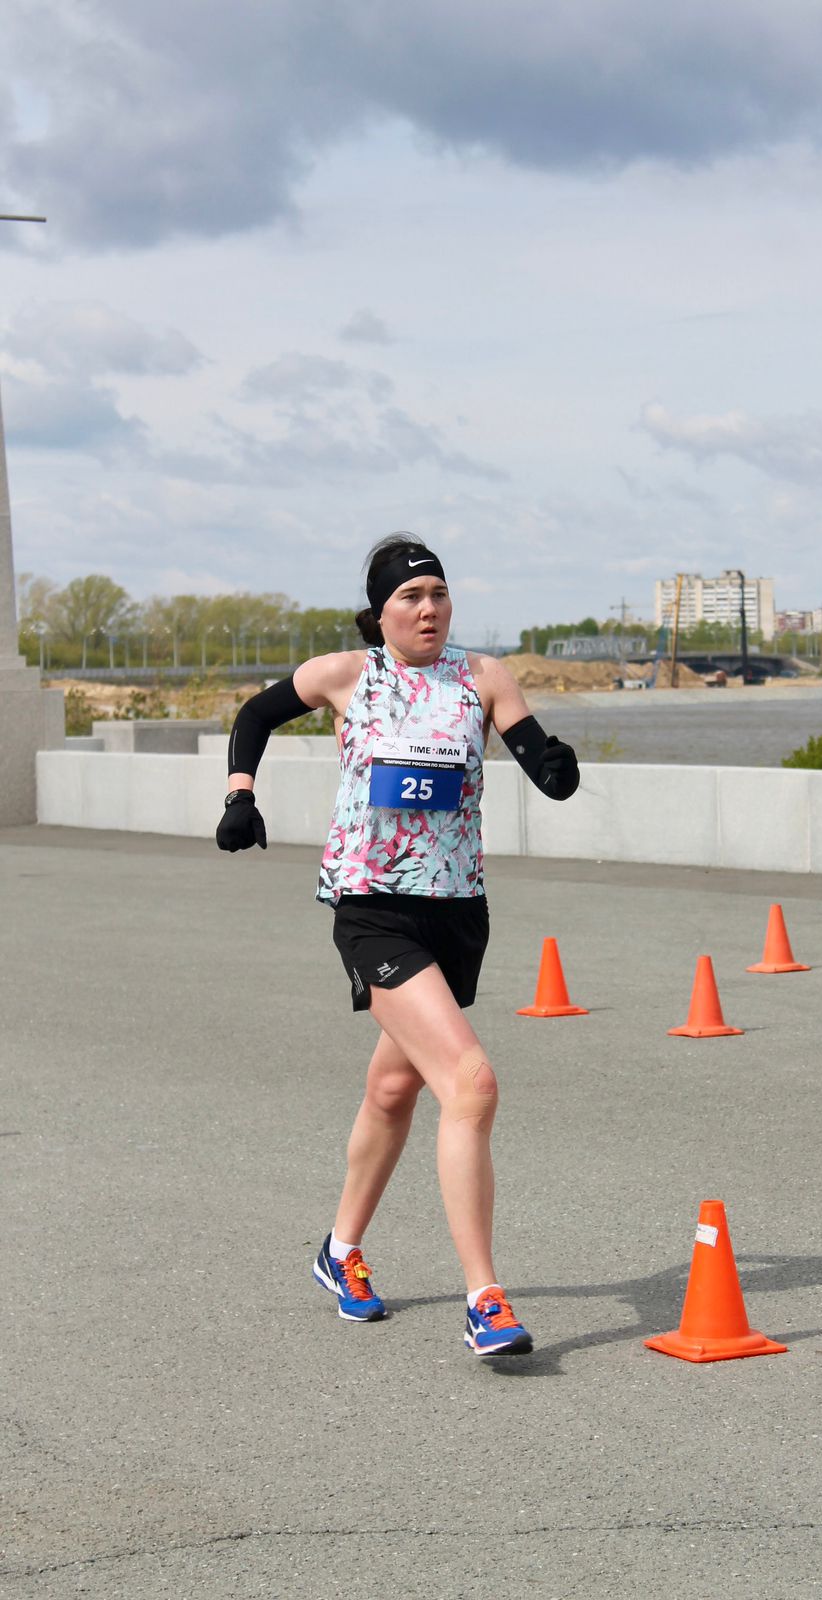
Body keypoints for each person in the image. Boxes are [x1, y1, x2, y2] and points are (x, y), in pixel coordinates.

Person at [216, 534, 580, 1356]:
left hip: (456, 913)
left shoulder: (482, 677)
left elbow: (532, 748)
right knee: (471, 1084)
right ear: (380, 611)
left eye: (438, 593)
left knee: (392, 1090)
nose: (428, 609)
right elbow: (256, 715)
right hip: (373, 907)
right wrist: (240, 794)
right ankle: (485, 1299)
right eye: (411, 596)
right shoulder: (346, 675)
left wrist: (554, 767)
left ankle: (338, 1251)